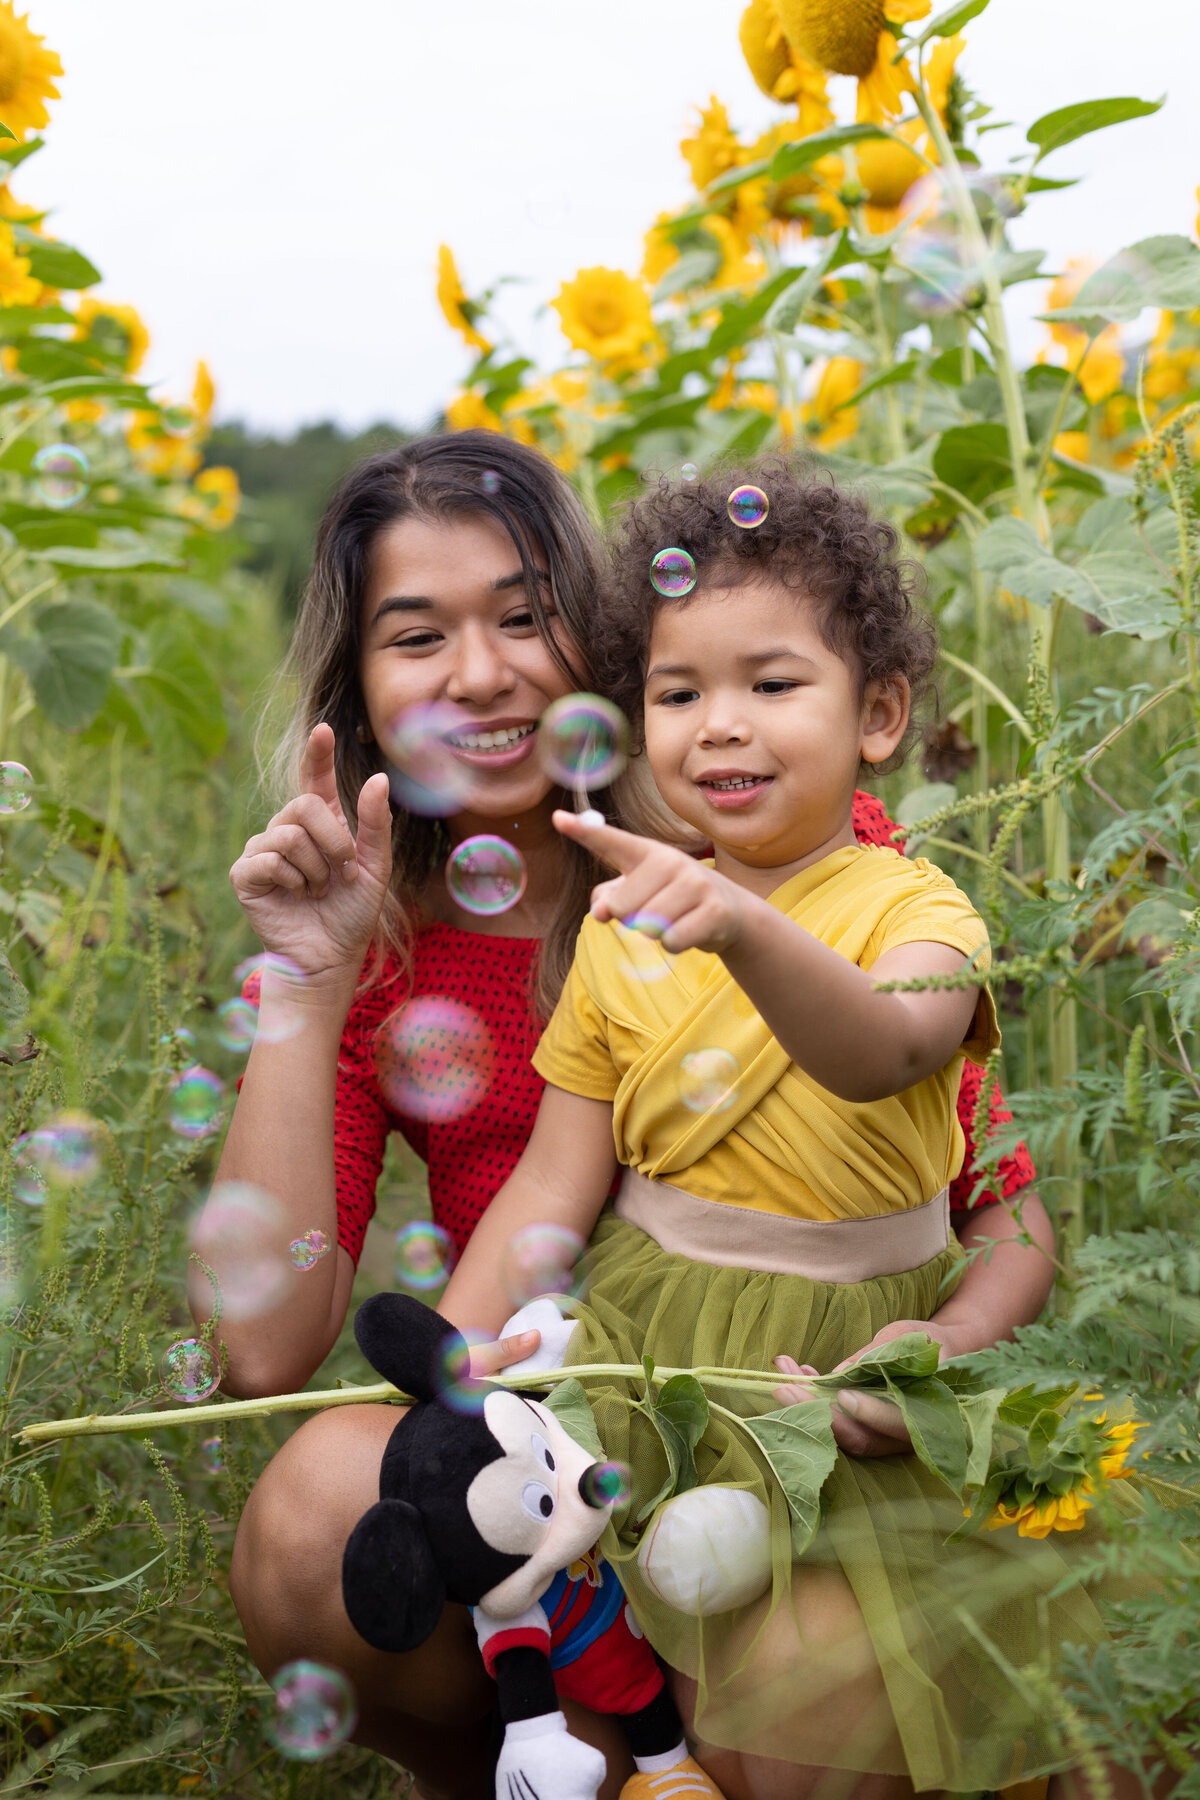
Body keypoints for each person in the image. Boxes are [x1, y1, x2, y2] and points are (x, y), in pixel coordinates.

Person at [200, 433, 1053, 1800]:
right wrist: (305, 974)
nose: (480, 673)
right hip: (562, 1440)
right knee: (319, 1509)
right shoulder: (398, 954)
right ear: (359, 688)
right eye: (418, 637)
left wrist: (945, 1339)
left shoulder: (808, 870)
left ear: (598, 647)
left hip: (792, 1416)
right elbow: (266, 1344)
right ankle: (503, 1758)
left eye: (526, 616)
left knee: (798, 1709)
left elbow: (984, 1177)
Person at [436, 462, 1118, 1800]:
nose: (720, 727)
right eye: (679, 694)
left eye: (772, 685)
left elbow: (885, 1049)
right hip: (659, 1364)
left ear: (878, 717)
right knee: (665, 1689)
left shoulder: (914, 913)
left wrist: (953, 1343)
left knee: (816, 1708)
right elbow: (554, 1182)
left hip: (845, 1375)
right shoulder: (622, 929)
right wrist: (461, 1371)